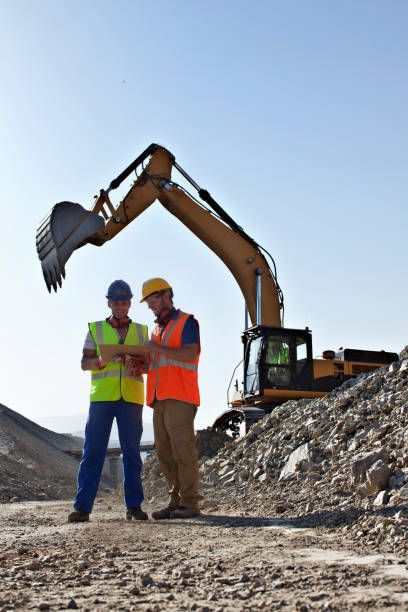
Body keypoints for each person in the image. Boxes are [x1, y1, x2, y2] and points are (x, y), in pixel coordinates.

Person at [68, 280, 149, 523]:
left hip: (132, 399)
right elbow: (85, 363)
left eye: (124, 303)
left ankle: (133, 507)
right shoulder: (95, 329)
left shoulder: (142, 331)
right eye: (116, 302)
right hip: (102, 399)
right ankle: (82, 508)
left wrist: (138, 365)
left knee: (132, 454)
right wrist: (101, 361)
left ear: (130, 304)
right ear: (109, 303)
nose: (120, 307)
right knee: (93, 451)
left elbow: (149, 365)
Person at [137, 277, 202, 519]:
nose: (150, 305)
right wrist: (140, 366)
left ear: (166, 296)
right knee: (164, 454)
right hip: (159, 398)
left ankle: (191, 502)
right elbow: (159, 363)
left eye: (152, 299)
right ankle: (175, 501)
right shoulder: (157, 330)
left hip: (180, 396)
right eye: (148, 302)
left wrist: (157, 350)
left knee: (183, 451)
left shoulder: (187, 322)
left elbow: (190, 353)